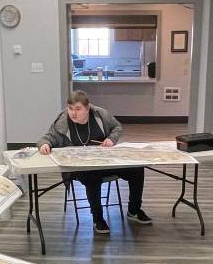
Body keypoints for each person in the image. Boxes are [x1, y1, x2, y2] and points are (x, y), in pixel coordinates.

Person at [37, 90, 152, 235]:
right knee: (92, 176)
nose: (73, 113)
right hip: (78, 167)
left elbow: (117, 127)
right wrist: (44, 145)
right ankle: (98, 219)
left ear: (87, 108)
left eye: (78, 109)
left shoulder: (100, 114)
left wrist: (111, 139)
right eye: (70, 108)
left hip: (105, 161)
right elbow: (46, 138)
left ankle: (134, 210)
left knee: (136, 169)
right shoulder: (63, 121)